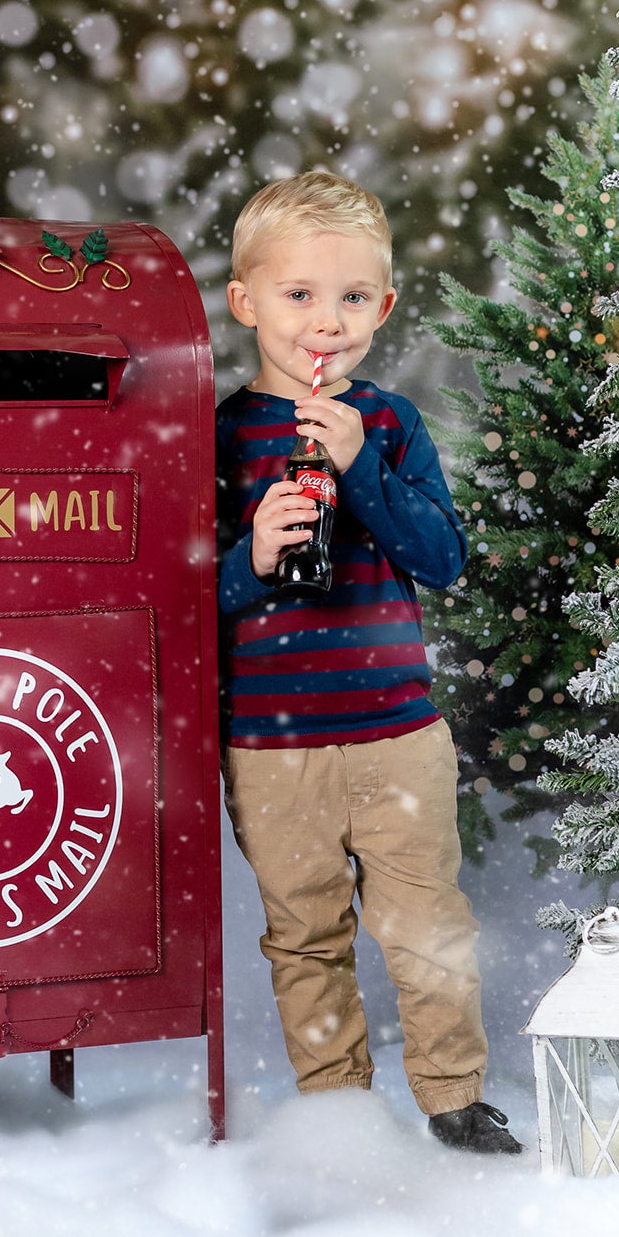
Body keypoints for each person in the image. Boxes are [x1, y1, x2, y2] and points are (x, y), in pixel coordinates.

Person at [216, 171, 521, 1154]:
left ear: (383, 306)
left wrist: (364, 469)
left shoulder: (386, 423)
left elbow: (443, 556)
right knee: (302, 933)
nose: (324, 321)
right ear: (245, 300)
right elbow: (190, 599)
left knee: (425, 919)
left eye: (351, 297)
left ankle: (452, 1094)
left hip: (395, 732)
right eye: (298, 294)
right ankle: (337, 1108)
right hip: (270, 743)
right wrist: (251, 555)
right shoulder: (220, 435)